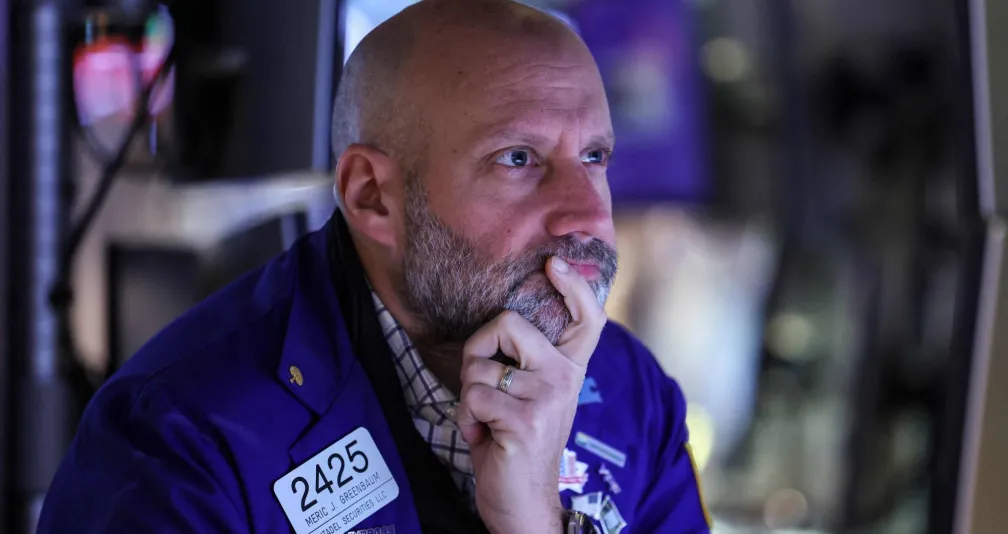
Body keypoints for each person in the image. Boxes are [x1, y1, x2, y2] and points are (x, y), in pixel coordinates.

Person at [37, 0, 711, 532]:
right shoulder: (181, 438)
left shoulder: (631, 394)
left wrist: (534, 517)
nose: (586, 216)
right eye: (517, 159)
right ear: (371, 196)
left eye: (594, 157)